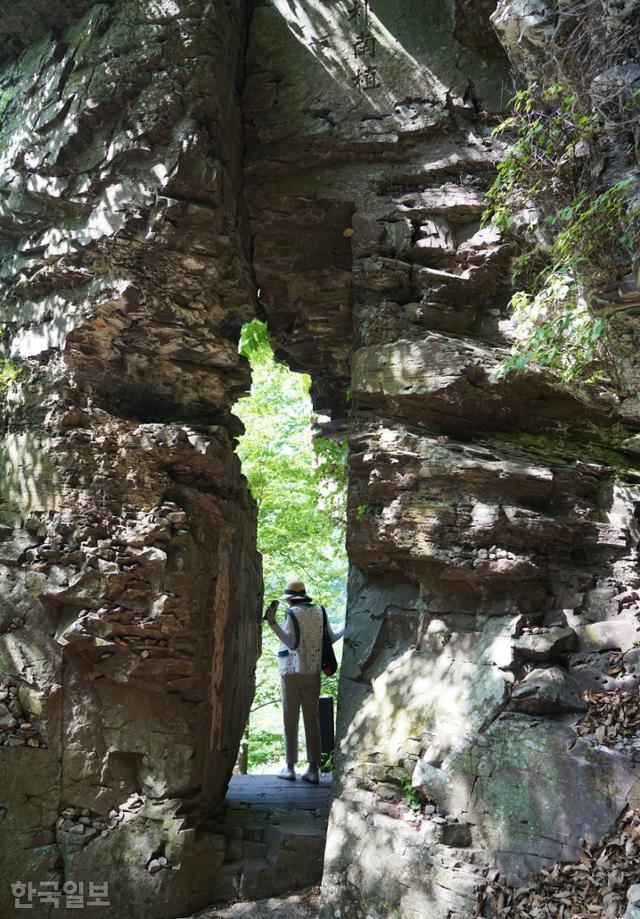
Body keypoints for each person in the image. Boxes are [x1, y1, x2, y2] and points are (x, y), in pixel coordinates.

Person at [264, 579, 344, 784]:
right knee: (312, 719)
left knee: (290, 719)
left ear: (290, 599)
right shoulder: (320, 611)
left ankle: (290, 767)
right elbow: (332, 638)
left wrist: (272, 623)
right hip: (313, 672)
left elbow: (291, 643)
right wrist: (349, 623)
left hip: (291, 672)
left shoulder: (292, 613)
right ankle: (312, 769)